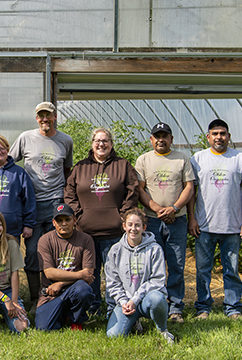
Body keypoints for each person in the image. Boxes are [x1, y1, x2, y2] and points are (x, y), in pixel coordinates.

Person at [1, 102, 74, 313]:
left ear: (54, 117)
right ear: (36, 118)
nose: (44, 119)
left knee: (56, 251)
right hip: (32, 203)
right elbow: (7, 161)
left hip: (55, 202)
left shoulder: (65, 141)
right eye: (41, 116)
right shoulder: (26, 138)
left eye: (48, 116)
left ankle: (55, 295)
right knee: (32, 252)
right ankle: (36, 298)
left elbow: (66, 169)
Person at [64, 127, 138, 314]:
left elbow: (133, 190)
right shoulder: (81, 167)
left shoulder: (123, 166)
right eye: (97, 140)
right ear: (92, 144)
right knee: (91, 272)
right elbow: (69, 193)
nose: (101, 144)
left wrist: (122, 215)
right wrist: (79, 215)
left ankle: (114, 308)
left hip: (113, 232)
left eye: (105, 140)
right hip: (86, 233)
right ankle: (92, 307)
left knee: (115, 272)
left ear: (111, 144)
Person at [187, 119, 242, 320]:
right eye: (214, 134)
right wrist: (192, 218)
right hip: (204, 226)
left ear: (228, 136)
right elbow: (192, 191)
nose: (219, 137)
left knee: (231, 270)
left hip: (232, 225)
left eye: (222, 133)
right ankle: (203, 307)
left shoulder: (239, 158)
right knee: (202, 270)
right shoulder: (198, 159)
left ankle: (233, 308)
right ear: (208, 137)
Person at [135, 122, 194, 323]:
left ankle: (175, 307)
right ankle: (153, 304)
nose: (161, 139)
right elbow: (140, 189)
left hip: (177, 220)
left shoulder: (181, 159)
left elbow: (188, 187)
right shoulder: (143, 160)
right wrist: (157, 208)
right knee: (152, 266)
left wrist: (174, 208)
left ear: (171, 139)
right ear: (151, 139)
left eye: (165, 136)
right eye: (157, 136)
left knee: (177, 264)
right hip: (151, 221)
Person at [105, 208, 174, 344]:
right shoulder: (115, 250)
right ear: (124, 226)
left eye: (138, 225)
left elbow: (157, 280)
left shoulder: (155, 249)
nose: (133, 229)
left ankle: (163, 330)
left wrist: (135, 300)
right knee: (113, 336)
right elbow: (113, 282)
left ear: (144, 227)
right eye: (130, 224)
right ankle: (135, 321)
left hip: (146, 301)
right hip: (127, 303)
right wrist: (124, 302)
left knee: (158, 298)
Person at [34, 204, 95, 331]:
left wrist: (61, 283)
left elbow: (88, 274)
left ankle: (76, 321)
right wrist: (79, 275)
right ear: (53, 223)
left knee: (83, 290)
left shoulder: (86, 239)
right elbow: (49, 273)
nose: (64, 224)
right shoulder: (45, 240)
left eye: (67, 219)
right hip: (51, 293)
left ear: (74, 220)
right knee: (44, 328)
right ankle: (64, 314)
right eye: (59, 220)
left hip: (75, 289)